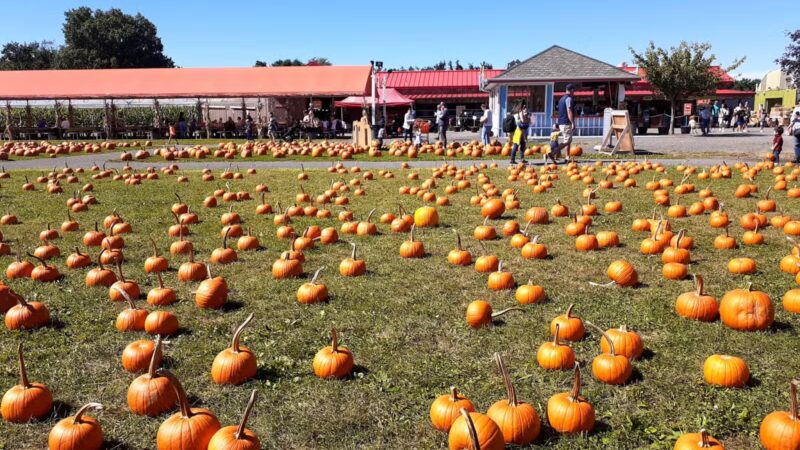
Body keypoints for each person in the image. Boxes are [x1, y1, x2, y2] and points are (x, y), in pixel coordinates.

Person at [556, 83, 576, 156]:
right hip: (566, 122)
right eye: (573, 91)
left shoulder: (561, 99)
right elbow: (569, 111)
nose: (574, 92)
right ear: (571, 90)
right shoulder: (569, 99)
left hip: (561, 122)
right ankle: (553, 152)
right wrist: (572, 122)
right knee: (567, 141)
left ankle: (567, 156)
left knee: (567, 140)